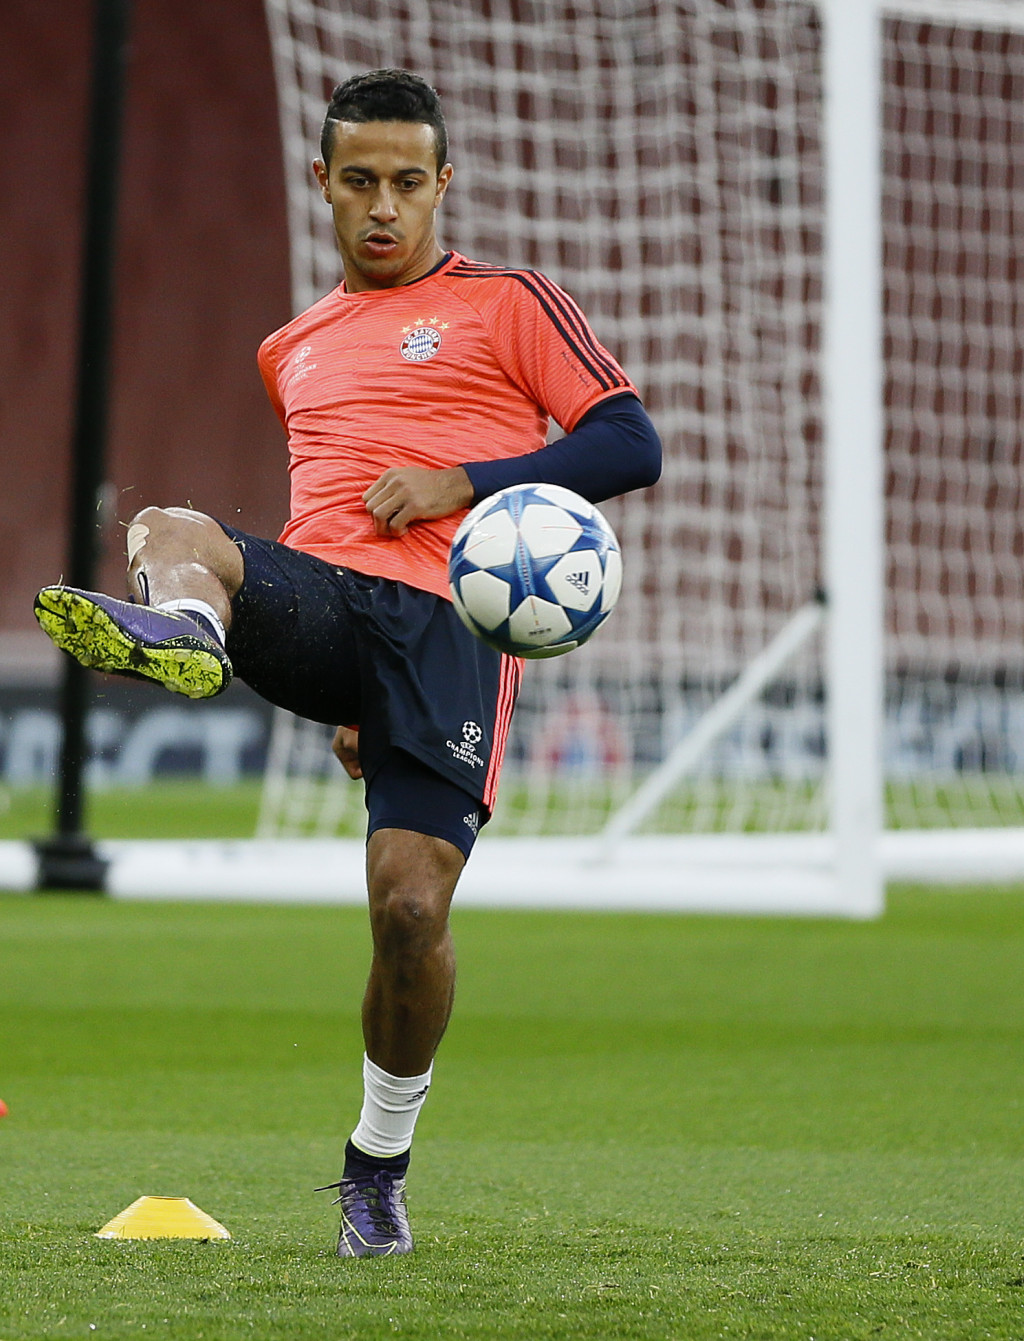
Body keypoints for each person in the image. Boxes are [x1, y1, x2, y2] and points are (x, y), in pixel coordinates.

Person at [34, 69, 661, 1257]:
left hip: (448, 630)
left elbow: (630, 439)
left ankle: (376, 1168)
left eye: (408, 183)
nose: (385, 206)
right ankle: (191, 635)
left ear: (444, 185)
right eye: (360, 181)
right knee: (173, 529)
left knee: (408, 913)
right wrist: (335, 672)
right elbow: (321, 500)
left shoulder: (510, 304)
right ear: (321, 182)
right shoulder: (293, 346)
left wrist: (465, 483)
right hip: (322, 602)